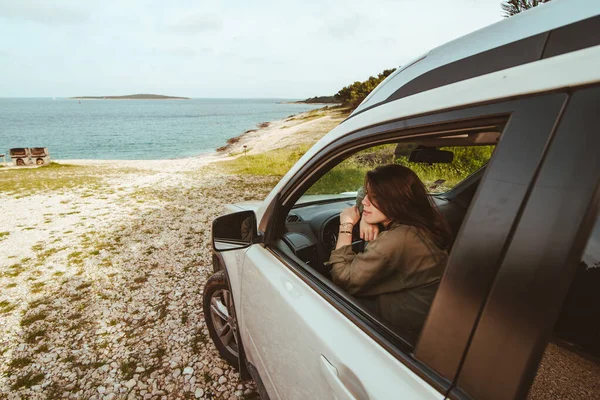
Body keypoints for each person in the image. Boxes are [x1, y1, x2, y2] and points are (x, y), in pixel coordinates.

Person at [328, 164, 451, 343]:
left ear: (396, 200)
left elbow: (343, 279)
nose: (364, 201)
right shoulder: (424, 221)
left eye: (374, 197)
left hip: (401, 331)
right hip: (426, 316)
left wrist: (346, 225)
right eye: (368, 196)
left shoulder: (397, 240)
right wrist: (365, 218)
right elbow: (364, 192)